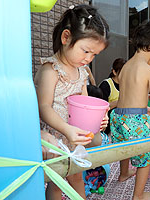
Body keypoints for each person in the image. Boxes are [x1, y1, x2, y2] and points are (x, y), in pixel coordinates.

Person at [34, 5, 110, 199]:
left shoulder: (82, 72)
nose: (89, 58)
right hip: (55, 139)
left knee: (77, 176)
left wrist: (99, 121)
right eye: (86, 51)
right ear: (66, 37)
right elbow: (43, 107)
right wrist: (66, 130)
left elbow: (85, 105)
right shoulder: (50, 70)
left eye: (94, 55)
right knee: (57, 181)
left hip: (73, 137)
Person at [110, 20, 150, 200]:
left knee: (124, 148)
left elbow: (126, 96)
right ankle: (138, 195)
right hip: (135, 121)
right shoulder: (149, 70)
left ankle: (123, 173)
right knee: (145, 158)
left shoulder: (125, 67)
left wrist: (142, 110)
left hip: (118, 117)